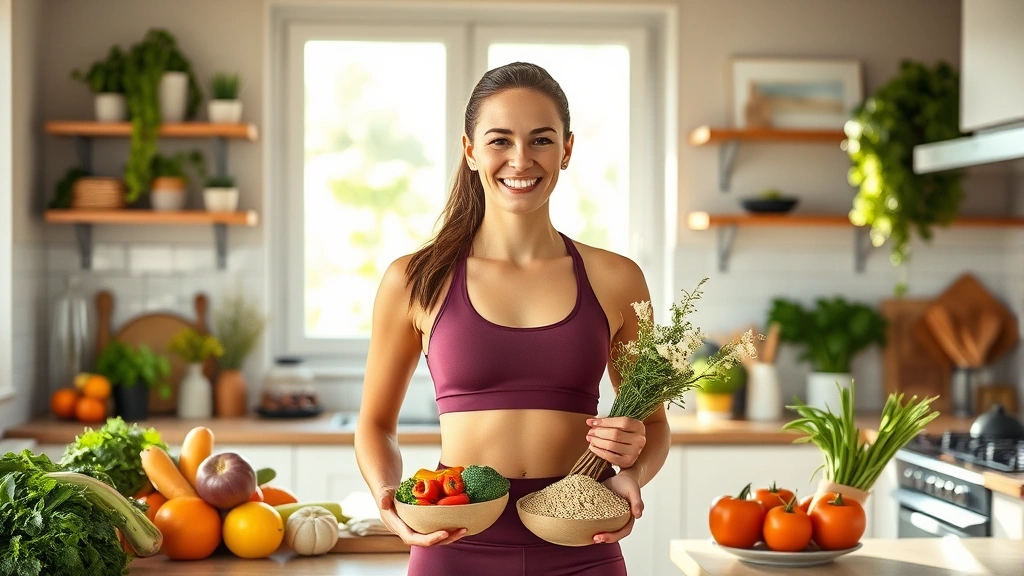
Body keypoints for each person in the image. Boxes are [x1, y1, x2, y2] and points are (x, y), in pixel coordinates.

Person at [354, 61, 670, 576]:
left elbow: (653, 425)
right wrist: (390, 498)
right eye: (499, 140)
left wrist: (632, 473)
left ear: (567, 150)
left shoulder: (617, 279)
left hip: (581, 542)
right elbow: (374, 423)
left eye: (541, 140)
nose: (520, 159)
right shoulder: (413, 279)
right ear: (469, 150)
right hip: (453, 542)